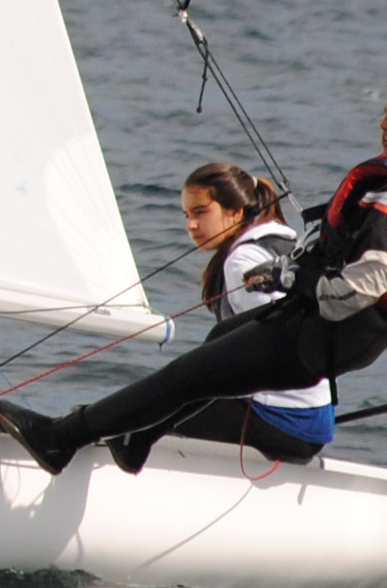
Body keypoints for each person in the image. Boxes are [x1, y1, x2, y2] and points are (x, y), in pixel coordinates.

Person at [0, 68, 387, 478]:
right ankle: (136, 438)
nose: (383, 124)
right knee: (219, 342)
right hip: (348, 335)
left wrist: (291, 280)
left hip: (327, 333)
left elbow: (358, 290)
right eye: (385, 112)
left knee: (185, 376)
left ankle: (61, 439)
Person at [95, 162, 337, 477]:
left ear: (236, 212)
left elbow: (279, 346)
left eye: (200, 212)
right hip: (313, 419)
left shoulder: (243, 261)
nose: (191, 225)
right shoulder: (286, 241)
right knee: (155, 403)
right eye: (186, 215)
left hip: (283, 420)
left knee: (133, 414)